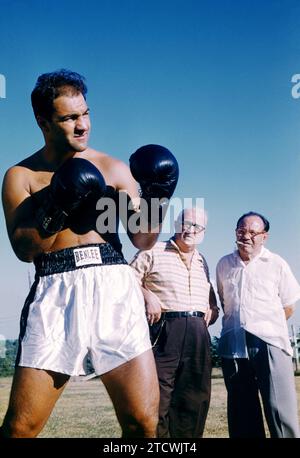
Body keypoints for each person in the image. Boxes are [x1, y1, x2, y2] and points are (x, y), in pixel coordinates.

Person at [0, 69, 179, 438]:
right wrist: (56, 205)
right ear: (43, 121)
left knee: (143, 424)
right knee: (21, 428)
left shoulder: (114, 169)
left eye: (85, 113)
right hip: (56, 289)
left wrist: (158, 197)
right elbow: (24, 249)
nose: (82, 125)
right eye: (69, 118)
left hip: (114, 285)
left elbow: (142, 239)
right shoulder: (22, 176)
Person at [130, 207, 219, 438]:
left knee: (194, 398)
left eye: (198, 226)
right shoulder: (152, 250)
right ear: (177, 223)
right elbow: (125, 282)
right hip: (164, 331)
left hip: (198, 334)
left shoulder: (202, 260)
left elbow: (210, 298)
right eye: (187, 223)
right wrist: (147, 296)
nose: (191, 230)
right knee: (157, 397)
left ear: (204, 232)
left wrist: (213, 308)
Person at [216, 211, 300, 438]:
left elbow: (289, 304)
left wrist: (267, 325)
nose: (246, 236)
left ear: (264, 236)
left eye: (253, 232)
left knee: (280, 413)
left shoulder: (276, 263)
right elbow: (226, 302)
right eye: (241, 231)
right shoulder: (224, 264)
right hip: (233, 344)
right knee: (242, 414)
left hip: (269, 343)